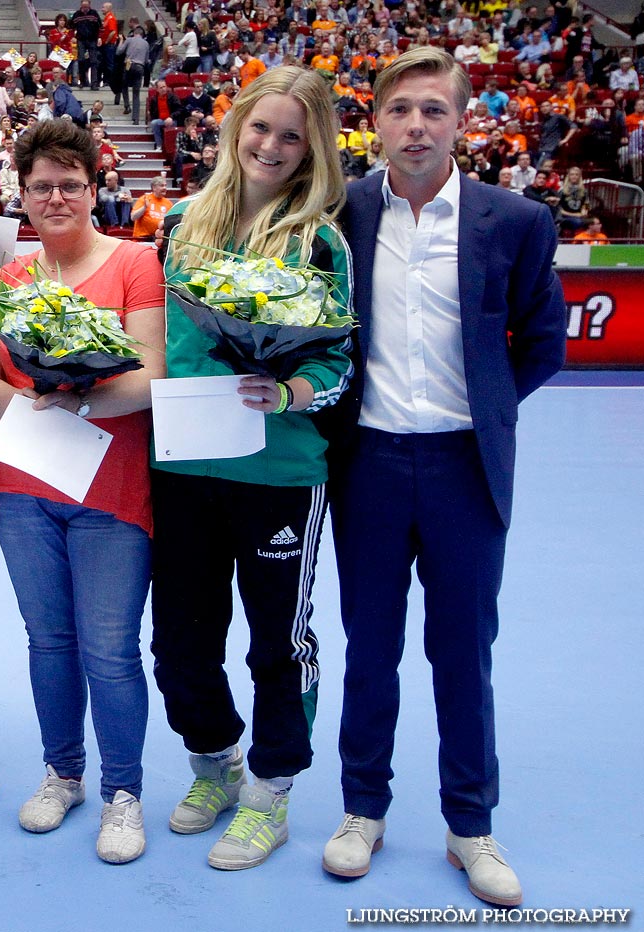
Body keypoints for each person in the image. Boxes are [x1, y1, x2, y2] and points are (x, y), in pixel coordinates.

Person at [321, 47, 566, 908]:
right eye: (399, 111)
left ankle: (471, 826)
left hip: (466, 469)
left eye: (433, 110)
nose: (415, 126)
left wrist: (485, 411)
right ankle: (362, 810)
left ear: (462, 121)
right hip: (371, 467)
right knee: (371, 651)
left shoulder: (518, 221)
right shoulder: (341, 212)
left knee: (464, 654)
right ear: (375, 122)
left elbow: (543, 346)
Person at [149, 65, 352, 872]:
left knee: (277, 642)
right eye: (260, 127)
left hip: (280, 475)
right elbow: (159, 342)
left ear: (313, 151)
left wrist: (291, 389)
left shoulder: (319, 241)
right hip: (187, 467)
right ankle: (217, 763)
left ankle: (271, 790)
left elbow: (339, 363)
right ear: (235, 129)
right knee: (180, 643)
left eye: (291, 135)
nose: (271, 145)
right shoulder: (180, 223)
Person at [0, 117, 166, 864]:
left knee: (110, 649)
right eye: (41, 186)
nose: (56, 197)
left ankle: (124, 791)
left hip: (110, 485)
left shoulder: (137, 264)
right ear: (23, 195)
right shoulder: (8, 279)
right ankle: (63, 772)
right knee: (47, 638)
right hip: (23, 480)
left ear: (93, 189)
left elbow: (151, 376)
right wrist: (35, 406)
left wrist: (79, 401)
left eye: (70, 185)